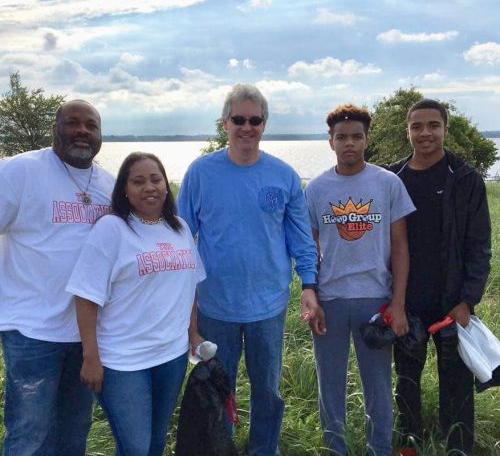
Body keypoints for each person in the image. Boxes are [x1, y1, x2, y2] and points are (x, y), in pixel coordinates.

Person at [177, 83, 318, 455]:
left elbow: (301, 238)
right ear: (225, 122)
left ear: (264, 124)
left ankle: (262, 450)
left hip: (268, 306)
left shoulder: (284, 175)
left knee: (266, 389)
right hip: (214, 305)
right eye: (238, 119)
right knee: (215, 386)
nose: (247, 127)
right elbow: (179, 237)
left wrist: (309, 283)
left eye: (255, 120)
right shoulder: (200, 173)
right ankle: (219, 448)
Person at [65, 152, 206, 455]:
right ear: (125, 190)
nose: (149, 187)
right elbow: (86, 296)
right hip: (123, 362)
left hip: (171, 355)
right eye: (138, 181)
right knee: (136, 448)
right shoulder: (112, 229)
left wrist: (192, 333)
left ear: (166, 185)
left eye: (156, 179)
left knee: (155, 442)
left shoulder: (179, 228)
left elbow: (190, 285)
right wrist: (91, 357)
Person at [0, 100, 115, 455]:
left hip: (87, 335)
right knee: (29, 433)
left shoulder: (110, 184)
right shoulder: (19, 172)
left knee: (73, 431)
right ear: (55, 128)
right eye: (73, 123)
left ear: (100, 135)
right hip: (30, 331)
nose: (82, 131)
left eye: (91, 125)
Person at [305, 104, 415, 456]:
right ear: (331, 142)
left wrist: (397, 304)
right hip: (330, 301)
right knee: (330, 386)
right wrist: (311, 294)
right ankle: (335, 449)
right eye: (341, 137)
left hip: (375, 300)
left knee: (378, 386)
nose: (349, 143)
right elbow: (310, 246)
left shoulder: (387, 183)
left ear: (367, 139)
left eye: (356, 136)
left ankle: (378, 449)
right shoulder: (317, 188)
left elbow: (399, 246)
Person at [387, 99, 491, 456]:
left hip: (452, 303)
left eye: (433, 125)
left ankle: (458, 448)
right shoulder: (392, 178)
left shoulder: (465, 178)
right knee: (406, 384)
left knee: (457, 387)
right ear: (408, 131)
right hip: (406, 302)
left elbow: (480, 246)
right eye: (417, 126)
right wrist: (391, 301)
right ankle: (409, 446)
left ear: (445, 128)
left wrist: (467, 301)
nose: (425, 133)